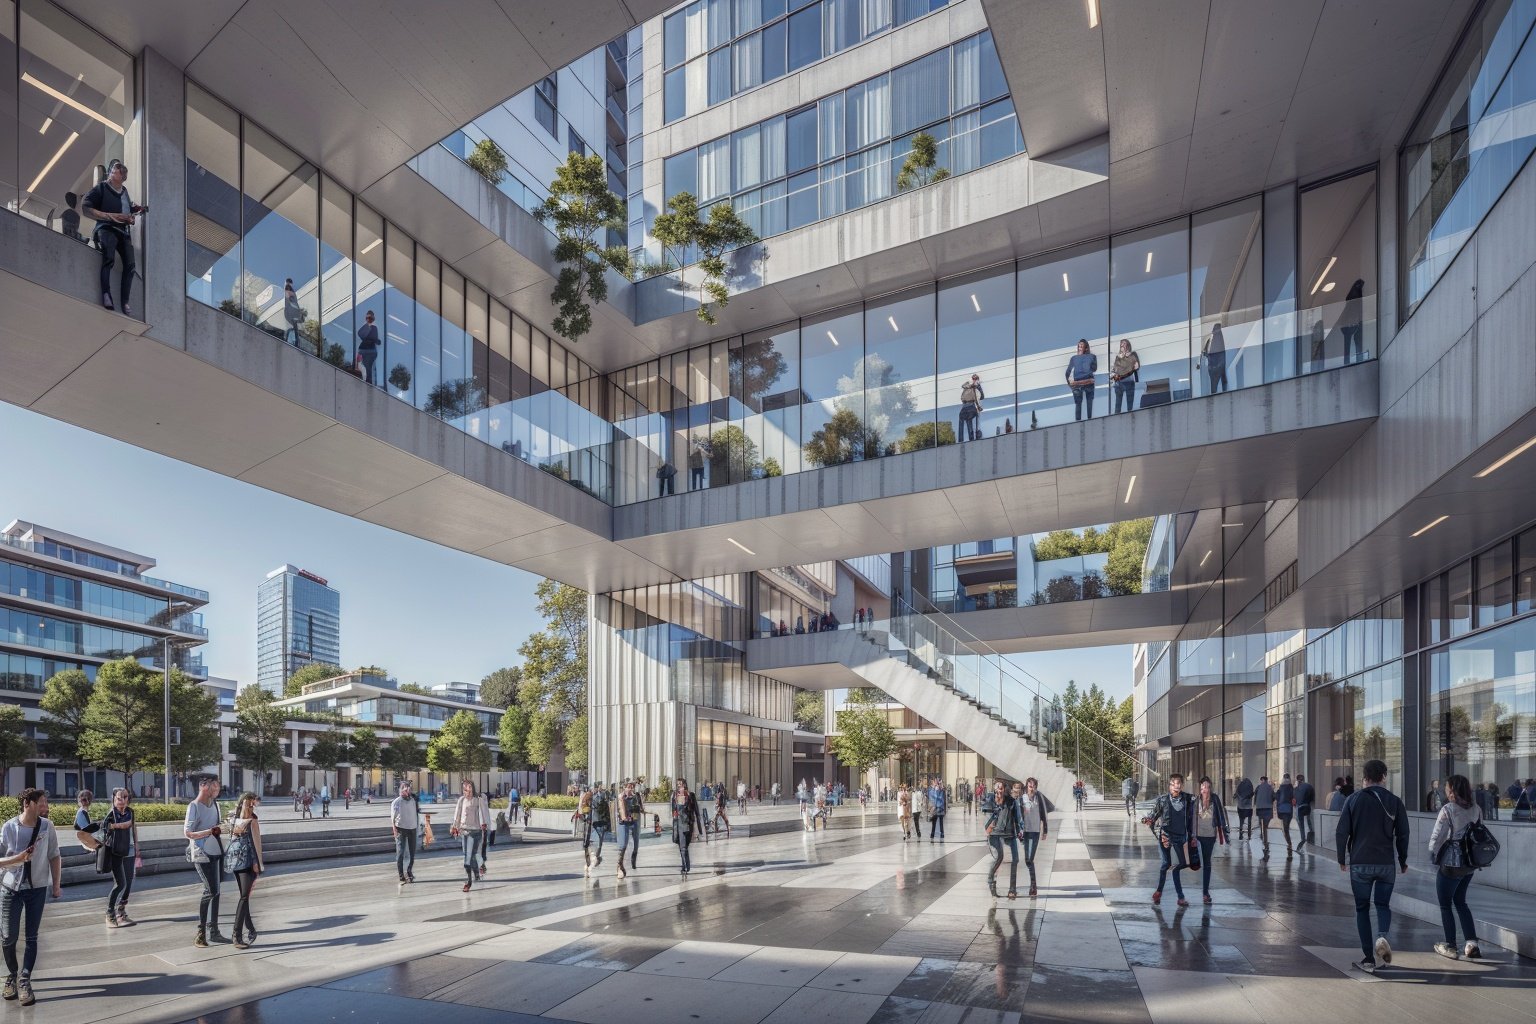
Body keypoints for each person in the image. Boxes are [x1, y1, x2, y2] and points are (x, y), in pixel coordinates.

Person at [1336, 758, 1409, 973]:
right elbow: (1403, 834)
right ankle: (1382, 937)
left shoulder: (1353, 799)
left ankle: (1368, 959)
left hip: (1360, 863)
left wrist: (1342, 858)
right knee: (1383, 905)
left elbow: (1342, 832)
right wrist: (1403, 860)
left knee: (1362, 908)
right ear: (1384, 777)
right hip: (1386, 863)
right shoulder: (1395, 801)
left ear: (1364, 778)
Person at [0, 788, 61, 1006]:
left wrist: (56, 884)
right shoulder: (9, 827)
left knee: (32, 936)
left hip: (37, 888)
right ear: (28, 803)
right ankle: (12, 975)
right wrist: (17, 858)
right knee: (8, 937)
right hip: (10, 889)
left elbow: (54, 855)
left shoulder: (47, 826)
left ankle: (25, 979)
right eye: (42, 802)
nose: (46, 806)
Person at [1428, 775, 1482, 961]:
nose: (1445, 789)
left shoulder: (1448, 809)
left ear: (1452, 790)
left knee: (1445, 904)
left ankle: (1451, 945)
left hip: (1451, 864)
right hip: (1469, 864)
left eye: (1447, 787)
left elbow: (1438, 836)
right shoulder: (1476, 809)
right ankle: (1472, 943)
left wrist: (1433, 855)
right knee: (1461, 902)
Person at [81, 160, 144, 314]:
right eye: (113, 171)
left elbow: (129, 209)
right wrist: (108, 216)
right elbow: (86, 206)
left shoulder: (124, 192)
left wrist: (132, 215)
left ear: (122, 177)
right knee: (108, 259)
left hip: (123, 231)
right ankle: (106, 294)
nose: (112, 174)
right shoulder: (101, 187)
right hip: (106, 228)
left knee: (130, 266)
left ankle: (125, 301)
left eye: (116, 172)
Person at [184, 774, 229, 946]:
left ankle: (214, 931)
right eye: (214, 786)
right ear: (203, 786)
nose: (217, 789)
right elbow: (188, 833)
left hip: (216, 850)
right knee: (210, 890)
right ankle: (200, 933)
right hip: (201, 853)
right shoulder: (194, 806)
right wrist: (210, 831)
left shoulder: (215, 805)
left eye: (217, 786)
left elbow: (216, 828)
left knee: (216, 891)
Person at [1145, 773, 1194, 907]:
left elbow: (1194, 819)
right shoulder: (1162, 800)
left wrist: (1192, 836)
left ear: (1182, 786)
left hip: (1180, 837)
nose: (1175, 787)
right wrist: (1159, 835)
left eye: (1178, 784)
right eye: (1173, 784)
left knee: (1183, 864)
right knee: (1166, 864)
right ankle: (1175, 896)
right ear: (1169, 786)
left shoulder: (1188, 800)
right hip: (1166, 836)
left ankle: (1168, 892)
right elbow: (1151, 819)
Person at [226, 792, 265, 950]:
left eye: (252, 803)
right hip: (242, 862)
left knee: (244, 897)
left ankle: (248, 930)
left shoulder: (243, 820)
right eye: (250, 803)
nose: (252, 806)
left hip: (243, 863)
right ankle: (238, 934)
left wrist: (258, 863)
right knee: (244, 897)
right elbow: (254, 843)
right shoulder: (243, 819)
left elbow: (255, 843)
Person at [101, 788, 138, 929]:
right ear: (114, 799)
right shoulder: (111, 814)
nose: (122, 799)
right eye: (119, 797)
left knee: (128, 883)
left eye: (125, 797)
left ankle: (121, 912)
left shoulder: (130, 812)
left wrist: (136, 845)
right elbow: (104, 829)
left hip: (129, 849)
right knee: (120, 884)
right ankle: (110, 913)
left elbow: (131, 827)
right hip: (116, 852)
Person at [1193, 777, 1229, 905]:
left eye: (1207, 786)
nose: (1205, 789)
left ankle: (1205, 893)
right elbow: (1192, 818)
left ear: (1210, 787)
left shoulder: (1215, 799)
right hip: (1197, 836)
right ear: (1200, 788)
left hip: (1210, 836)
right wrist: (1191, 835)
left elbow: (1221, 815)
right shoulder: (1196, 800)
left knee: (1207, 864)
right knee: (1193, 862)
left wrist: (1225, 833)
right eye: (1203, 786)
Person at [451, 781, 489, 892]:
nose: (467, 792)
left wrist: (484, 825)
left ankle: (468, 882)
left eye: (469, 789)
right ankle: (477, 872)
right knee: (467, 854)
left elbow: (484, 812)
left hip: (475, 831)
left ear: (473, 789)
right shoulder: (461, 800)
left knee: (469, 857)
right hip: (464, 831)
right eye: (465, 790)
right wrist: (455, 827)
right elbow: (457, 815)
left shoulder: (478, 800)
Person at [984, 780, 1020, 899]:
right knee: (999, 858)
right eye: (997, 788)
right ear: (995, 789)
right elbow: (987, 819)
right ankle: (991, 882)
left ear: (1004, 790)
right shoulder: (990, 800)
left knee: (1015, 859)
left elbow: (1017, 818)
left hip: (1010, 833)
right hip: (995, 834)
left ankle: (1012, 889)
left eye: (1001, 788)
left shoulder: (1011, 801)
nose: (999, 790)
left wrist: (1020, 831)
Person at [1017, 778, 1049, 898]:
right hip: (1025, 832)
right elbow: (1018, 816)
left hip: (1035, 831)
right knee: (1027, 860)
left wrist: (1045, 830)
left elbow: (1043, 814)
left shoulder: (1039, 797)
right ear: (1026, 786)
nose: (1032, 787)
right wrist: (1018, 832)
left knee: (1030, 859)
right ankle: (1033, 884)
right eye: (1030, 785)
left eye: (1034, 785)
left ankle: (1033, 885)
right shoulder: (1022, 798)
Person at [391, 781, 420, 884]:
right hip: (401, 829)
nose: (407, 790)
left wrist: (418, 827)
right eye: (405, 788)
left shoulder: (413, 800)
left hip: (412, 828)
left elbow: (416, 814)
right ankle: (401, 875)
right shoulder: (397, 802)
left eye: (408, 788)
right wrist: (394, 829)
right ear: (400, 790)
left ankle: (409, 870)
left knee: (412, 852)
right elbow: (393, 817)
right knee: (401, 852)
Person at [672, 779, 702, 874]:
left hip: (689, 823)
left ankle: (685, 864)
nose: (679, 786)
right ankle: (685, 866)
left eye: (681, 784)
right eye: (678, 784)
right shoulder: (674, 796)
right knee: (682, 846)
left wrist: (698, 827)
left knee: (685, 845)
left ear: (685, 784)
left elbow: (696, 811)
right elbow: (673, 810)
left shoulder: (690, 795)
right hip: (679, 824)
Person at [616, 780, 643, 879]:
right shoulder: (620, 797)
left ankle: (633, 859)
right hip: (623, 823)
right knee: (623, 845)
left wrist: (641, 810)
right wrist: (624, 817)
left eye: (632, 787)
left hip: (635, 821)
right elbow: (618, 811)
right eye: (628, 787)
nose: (631, 788)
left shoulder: (637, 796)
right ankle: (619, 866)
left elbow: (641, 807)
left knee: (636, 842)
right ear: (624, 788)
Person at [583, 782, 611, 876]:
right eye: (596, 787)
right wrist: (585, 816)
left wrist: (608, 823)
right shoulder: (588, 796)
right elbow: (583, 807)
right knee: (592, 842)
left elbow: (607, 809)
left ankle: (596, 858)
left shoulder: (603, 796)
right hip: (592, 822)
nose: (598, 788)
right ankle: (592, 859)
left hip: (601, 821)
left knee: (600, 842)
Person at [1066, 339, 1097, 420]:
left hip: (1085, 382)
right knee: (1080, 403)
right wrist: (1070, 384)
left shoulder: (1090, 357)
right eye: (1079, 346)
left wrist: (1070, 384)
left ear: (1086, 348)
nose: (1079, 347)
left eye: (1081, 346)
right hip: (1080, 383)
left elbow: (1094, 368)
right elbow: (1068, 372)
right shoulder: (1075, 358)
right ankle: (1081, 421)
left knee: (1085, 402)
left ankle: (1086, 420)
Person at [1110, 339, 1139, 413]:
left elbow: (1136, 366)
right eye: (1121, 343)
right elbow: (1115, 369)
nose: (1122, 345)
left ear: (1128, 345)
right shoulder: (1118, 357)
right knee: (1118, 405)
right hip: (1119, 382)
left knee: (1130, 405)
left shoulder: (1133, 354)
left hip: (1129, 381)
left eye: (1124, 343)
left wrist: (1126, 358)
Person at [1340, 280, 1365, 364]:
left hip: (1351, 323)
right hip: (1349, 324)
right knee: (1353, 342)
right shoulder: (1355, 295)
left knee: (1352, 343)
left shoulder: (1355, 295)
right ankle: (1355, 360)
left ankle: (1352, 361)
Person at [1200, 322, 1228, 394]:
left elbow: (1222, 355)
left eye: (1217, 329)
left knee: (1219, 383)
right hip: (1213, 366)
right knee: (1214, 385)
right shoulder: (1209, 340)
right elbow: (1205, 352)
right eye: (1215, 329)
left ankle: (1223, 391)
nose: (1214, 331)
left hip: (1217, 366)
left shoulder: (1220, 339)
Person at [357, 310, 381, 385]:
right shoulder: (366, 327)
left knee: (369, 366)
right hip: (364, 349)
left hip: (370, 350)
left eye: (371, 318)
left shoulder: (374, 328)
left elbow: (374, 338)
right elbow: (360, 334)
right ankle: (365, 379)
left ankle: (369, 381)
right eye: (368, 317)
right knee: (362, 365)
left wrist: (377, 341)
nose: (369, 319)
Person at [1253, 775, 1274, 860]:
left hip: (1260, 808)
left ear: (1261, 780)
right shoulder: (1270, 787)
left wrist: (1255, 805)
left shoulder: (1258, 787)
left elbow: (1255, 797)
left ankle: (1264, 839)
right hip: (1268, 808)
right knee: (1266, 825)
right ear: (1266, 780)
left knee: (1262, 825)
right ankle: (1265, 840)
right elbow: (1273, 797)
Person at [959, 373, 985, 441]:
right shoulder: (969, 384)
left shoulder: (977, 386)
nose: (974, 380)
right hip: (968, 405)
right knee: (967, 420)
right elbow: (963, 386)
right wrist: (972, 385)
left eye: (975, 379)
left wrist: (979, 387)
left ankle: (974, 435)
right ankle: (966, 439)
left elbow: (981, 397)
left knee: (971, 419)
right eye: (973, 378)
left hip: (971, 405)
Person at [1275, 773, 1295, 856]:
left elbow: (1277, 797)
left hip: (1282, 809)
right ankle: (1289, 843)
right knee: (1286, 828)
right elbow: (1293, 797)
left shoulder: (1281, 787)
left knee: (1285, 828)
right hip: (1288, 809)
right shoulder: (1291, 787)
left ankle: (1289, 843)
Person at [1295, 773, 1315, 848]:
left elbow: (1295, 799)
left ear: (1297, 780)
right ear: (1303, 779)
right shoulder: (1309, 786)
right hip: (1307, 806)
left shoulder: (1297, 788)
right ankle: (1311, 834)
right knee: (1309, 820)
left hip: (1300, 808)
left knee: (1301, 824)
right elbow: (1313, 797)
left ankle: (1303, 838)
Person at [283, 278, 304, 346]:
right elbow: (291, 301)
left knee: (294, 329)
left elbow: (294, 302)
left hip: (292, 314)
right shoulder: (288, 289)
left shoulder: (289, 289)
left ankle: (296, 342)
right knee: (293, 329)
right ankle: (295, 341)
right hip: (290, 313)